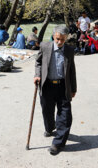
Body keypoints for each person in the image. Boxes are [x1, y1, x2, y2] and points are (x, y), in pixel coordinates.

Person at [34, 26, 77, 156]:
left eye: (63, 40)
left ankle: (57, 143)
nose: (60, 42)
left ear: (66, 38)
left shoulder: (69, 50)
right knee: (47, 111)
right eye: (58, 39)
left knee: (65, 115)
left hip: (63, 86)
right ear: (54, 36)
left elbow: (71, 70)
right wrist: (37, 75)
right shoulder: (45, 46)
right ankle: (49, 128)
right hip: (47, 85)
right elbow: (38, 62)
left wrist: (73, 88)